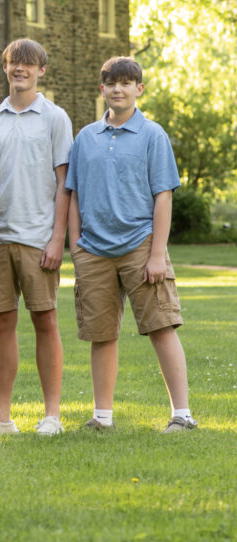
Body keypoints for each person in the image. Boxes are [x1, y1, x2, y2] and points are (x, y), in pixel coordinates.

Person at [66, 57, 195, 433]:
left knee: (162, 327)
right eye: (111, 84)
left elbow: (164, 197)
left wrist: (157, 254)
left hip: (140, 245)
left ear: (139, 89)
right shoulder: (85, 137)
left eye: (126, 83)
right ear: (102, 90)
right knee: (101, 334)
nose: (118, 89)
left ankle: (182, 415)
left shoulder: (153, 135)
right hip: (93, 251)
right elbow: (73, 194)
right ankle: (102, 417)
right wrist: (77, 246)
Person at [0, 38, 72, 436]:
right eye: (14, 63)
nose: (20, 70)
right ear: (6, 67)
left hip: (37, 238)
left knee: (45, 320)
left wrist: (57, 238)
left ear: (41, 71)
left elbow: (65, 184)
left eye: (28, 65)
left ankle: (51, 416)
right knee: (1, 323)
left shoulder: (55, 118)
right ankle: (0, 417)